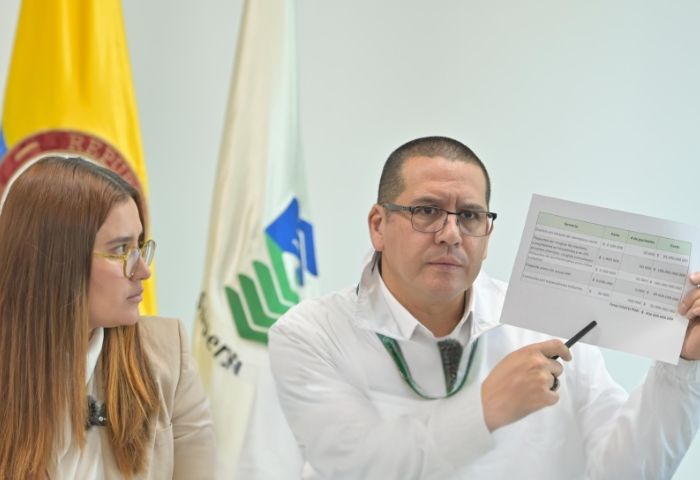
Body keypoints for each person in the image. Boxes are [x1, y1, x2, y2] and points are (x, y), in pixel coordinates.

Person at [268, 136, 700, 479]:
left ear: (488, 235)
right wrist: (486, 407)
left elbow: (626, 473)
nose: (451, 234)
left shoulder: (547, 323)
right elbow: (357, 466)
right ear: (378, 226)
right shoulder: (311, 334)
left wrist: (683, 365)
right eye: (426, 210)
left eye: (471, 216)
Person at [0, 156, 216, 479]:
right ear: (57, 264)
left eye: (139, 246)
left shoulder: (168, 354)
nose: (143, 270)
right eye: (119, 250)